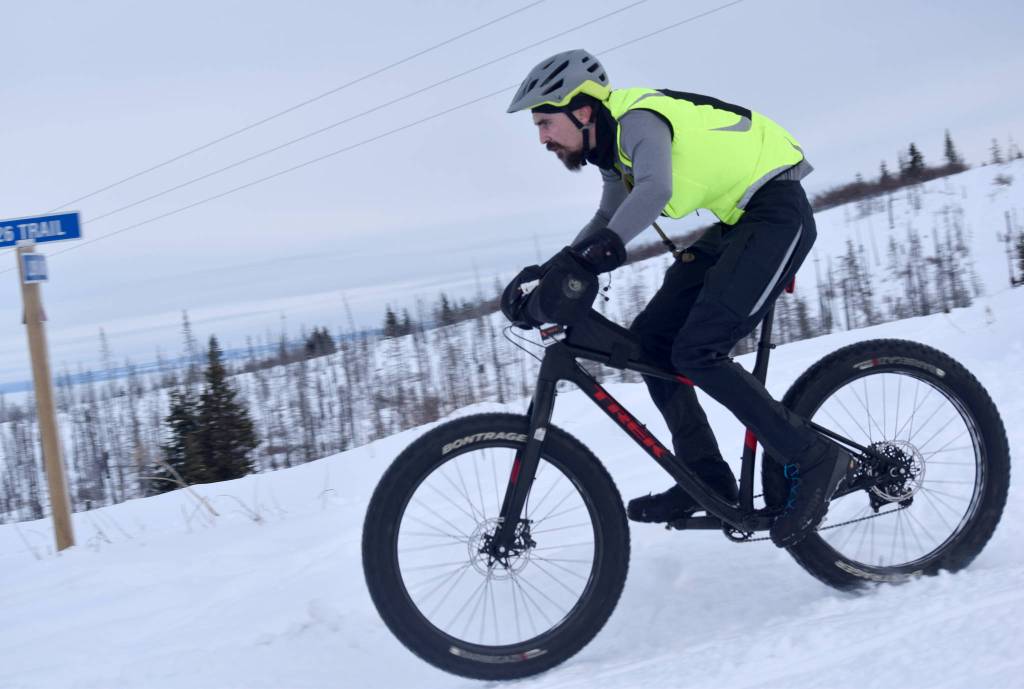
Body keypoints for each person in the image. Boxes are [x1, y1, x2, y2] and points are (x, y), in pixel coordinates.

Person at [503, 49, 855, 548]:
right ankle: (706, 479)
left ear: (582, 110)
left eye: (545, 122)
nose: (541, 137)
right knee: (651, 342)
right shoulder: (611, 152)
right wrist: (556, 269)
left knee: (698, 350)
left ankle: (813, 458)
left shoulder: (638, 120)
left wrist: (591, 259)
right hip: (738, 224)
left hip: (777, 214)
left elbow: (654, 188)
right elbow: (607, 220)